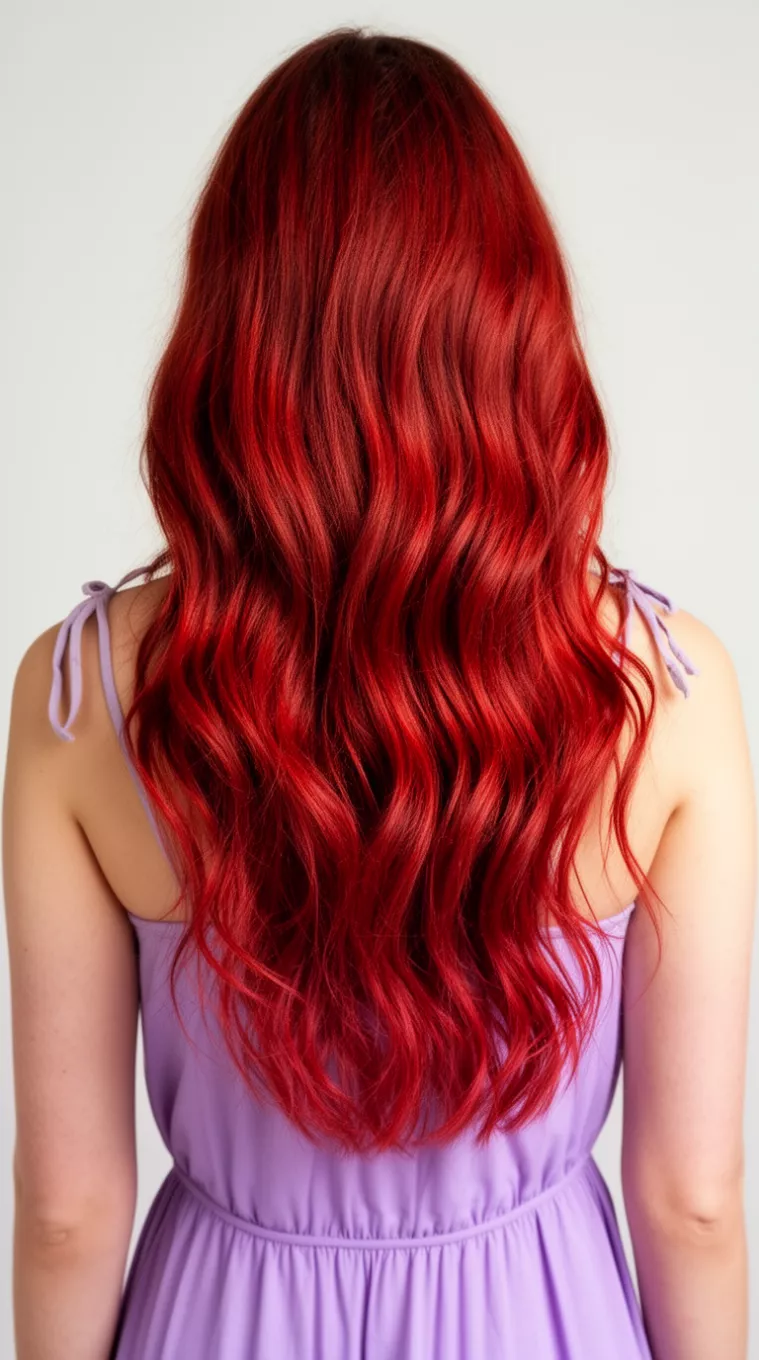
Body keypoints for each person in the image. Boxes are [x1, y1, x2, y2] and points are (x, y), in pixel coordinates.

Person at [3, 26, 755, 1360]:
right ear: (512, 326)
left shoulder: (80, 703)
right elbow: (690, 1205)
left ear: (231, 329)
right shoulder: (665, 693)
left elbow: (68, 1214)